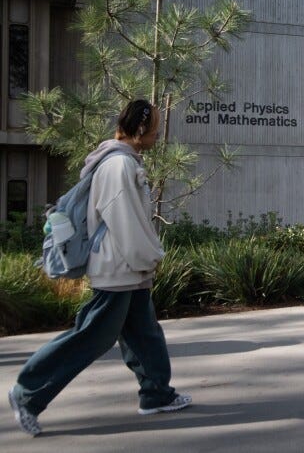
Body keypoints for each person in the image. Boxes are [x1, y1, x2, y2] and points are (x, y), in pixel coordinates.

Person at [8, 100, 191, 436]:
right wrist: (150, 258)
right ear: (139, 130)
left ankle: (156, 394)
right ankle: (28, 393)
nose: (158, 134)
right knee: (92, 335)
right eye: (155, 128)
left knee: (144, 332)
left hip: (127, 267)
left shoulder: (122, 160)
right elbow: (126, 222)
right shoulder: (118, 166)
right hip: (118, 266)